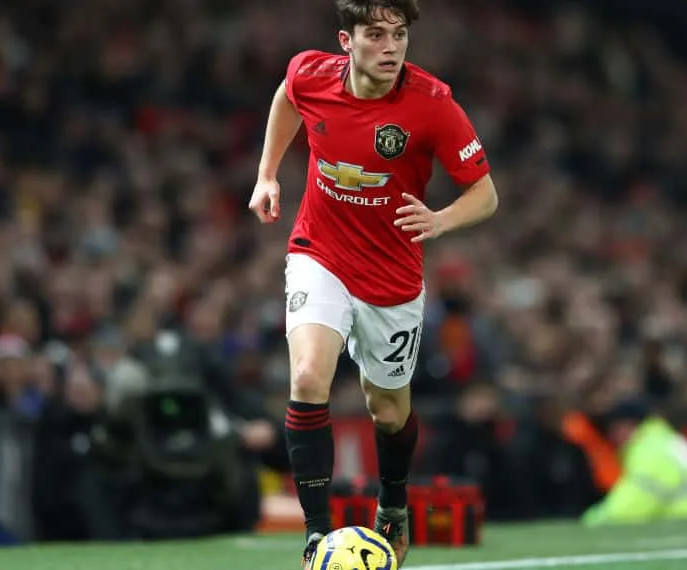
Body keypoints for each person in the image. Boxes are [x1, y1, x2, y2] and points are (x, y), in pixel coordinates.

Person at [247, 0, 499, 567]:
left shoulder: (432, 104)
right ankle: (317, 536)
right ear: (347, 41)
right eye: (377, 34)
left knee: (387, 410)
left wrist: (439, 220)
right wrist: (267, 174)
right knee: (310, 375)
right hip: (320, 253)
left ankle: (393, 502)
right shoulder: (311, 73)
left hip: (391, 276)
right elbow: (288, 96)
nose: (391, 47)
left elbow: (485, 194)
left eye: (401, 34)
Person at [580, 399, 687, 526]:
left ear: (628, 425)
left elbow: (629, 508)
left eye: (614, 428)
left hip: (686, 522)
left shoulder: (650, 451)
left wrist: (591, 521)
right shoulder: (663, 441)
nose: (612, 435)